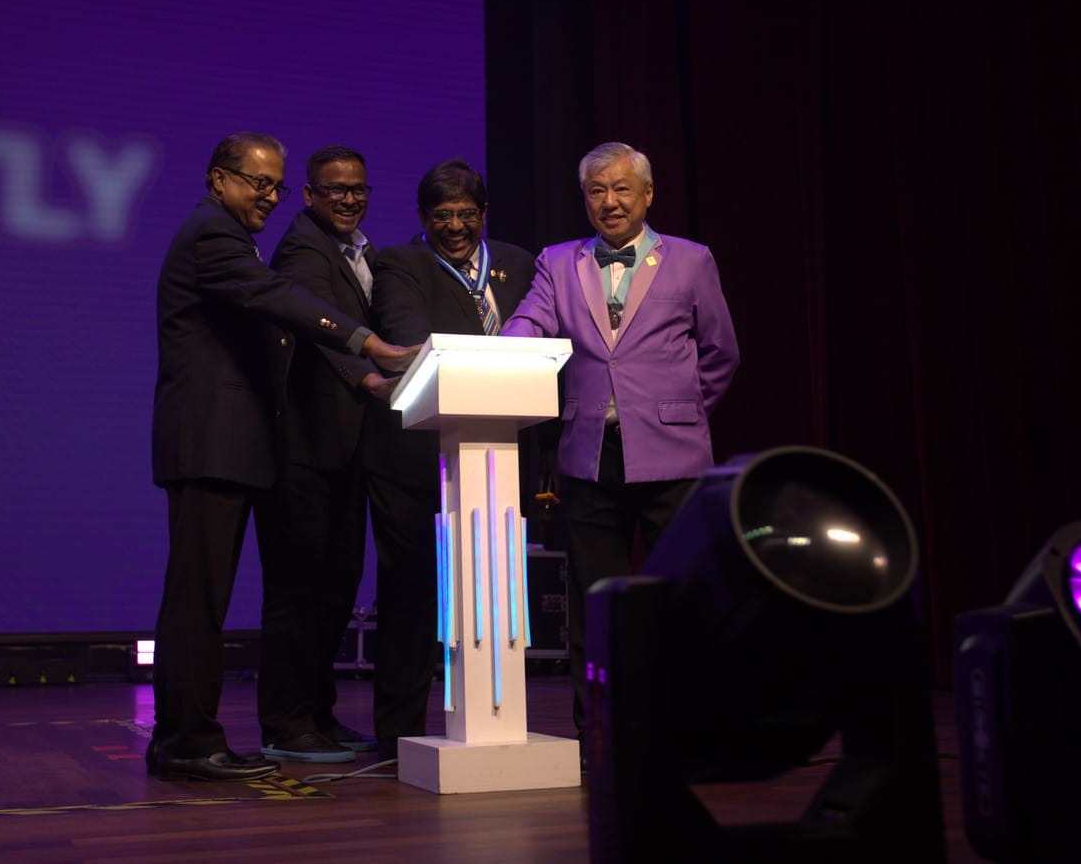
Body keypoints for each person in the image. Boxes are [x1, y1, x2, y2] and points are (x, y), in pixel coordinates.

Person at [149, 132, 414, 782]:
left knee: (204, 599)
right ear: (218, 179)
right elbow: (278, 298)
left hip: (228, 447)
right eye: (257, 182)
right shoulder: (213, 235)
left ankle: (187, 737)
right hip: (209, 444)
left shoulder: (230, 236)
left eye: (275, 185)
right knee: (197, 602)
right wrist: (365, 342)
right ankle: (185, 741)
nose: (268, 196)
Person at [501, 142, 739, 738]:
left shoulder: (692, 260)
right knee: (593, 602)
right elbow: (531, 321)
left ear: (647, 194)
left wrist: (678, 412)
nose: (609, 201)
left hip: (672, 457)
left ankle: (683, 731)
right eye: (597, 191)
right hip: (589, 455)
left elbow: (720, 353)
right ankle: (600, 735)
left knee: (678, 595)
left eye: (621, 188)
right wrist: (497, 349)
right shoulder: (559, 261)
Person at [366, 159, 537, 761]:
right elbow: (409, 338)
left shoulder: (520, 263)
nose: (456, 226)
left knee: (492, 595)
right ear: (423, 217)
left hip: (498, 458)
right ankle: (397, 735)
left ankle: (495, 720)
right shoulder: (400, 264)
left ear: (484, 213)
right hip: (414, 460)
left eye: (467, 214)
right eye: (442, 216)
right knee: (411, 595)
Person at [263, 145, 386, 763]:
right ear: (310, 194)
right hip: (303, 449)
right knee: (298, 587)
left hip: (347, 448)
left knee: (337, 585)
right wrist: (370, 376)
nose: (348, 198)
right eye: (335, 189)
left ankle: (317, 712)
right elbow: (319, 324)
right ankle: (286, 722)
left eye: (358, 188)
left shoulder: (360, 250)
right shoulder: (302, 248)